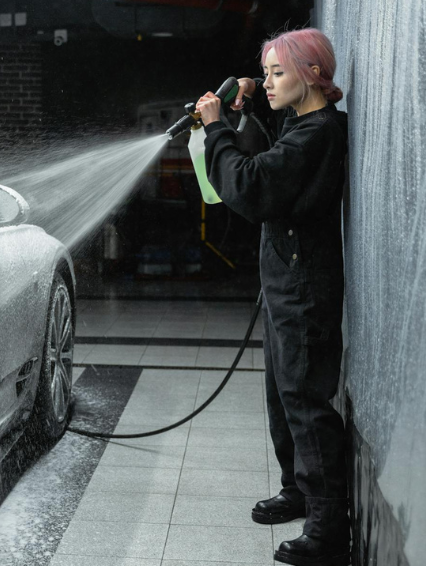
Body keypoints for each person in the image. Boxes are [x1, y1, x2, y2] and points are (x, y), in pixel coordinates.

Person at [195, 28, 350, 566]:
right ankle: (299, 490)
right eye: (265, 73)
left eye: (277, 73)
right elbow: (271, 151)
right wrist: (248, 110)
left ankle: (329, 529)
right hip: (288, 280)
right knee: (284, 394)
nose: (267, 81)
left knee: (306, 402)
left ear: (311, 73)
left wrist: (216, 129)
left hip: (303, 287)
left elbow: (252, 184)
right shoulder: (302, 125)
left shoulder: (318, 134)